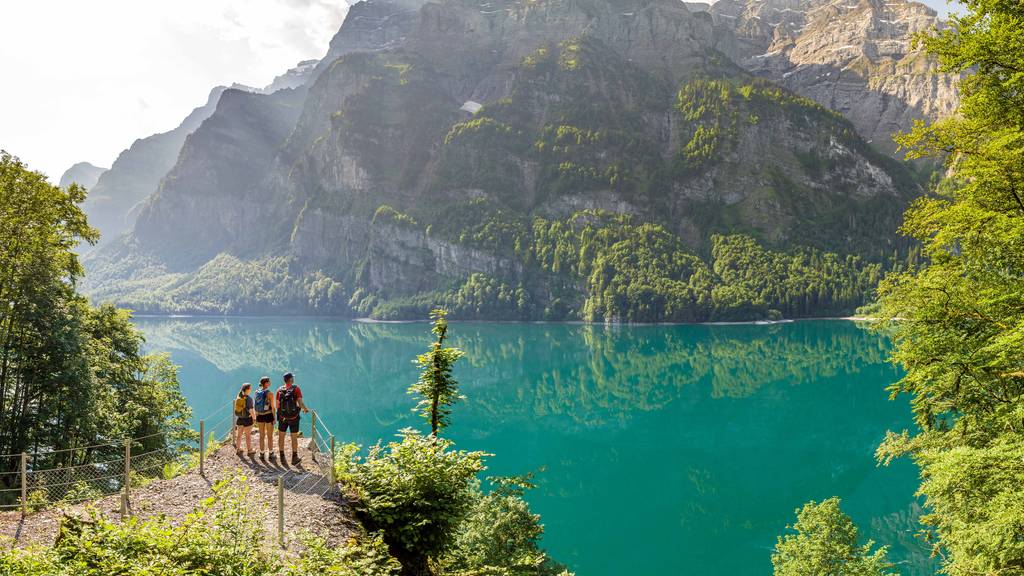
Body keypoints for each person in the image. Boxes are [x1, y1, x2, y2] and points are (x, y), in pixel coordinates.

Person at [276, 372, 308, 465]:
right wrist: (305, 409)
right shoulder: (296, 388)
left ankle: (282, 457)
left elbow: (277, 404)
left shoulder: (279, 390)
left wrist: (280, 414)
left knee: (281, 436)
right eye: (292, 378)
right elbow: (300, 402)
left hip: (283, 417)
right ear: (290, 379)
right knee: (294, 437)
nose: (293, 379)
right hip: (294, 417)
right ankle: (294, 458)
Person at [254, 376, 276, 460]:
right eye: (269, 381)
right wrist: (274, 417)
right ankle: (271, 453)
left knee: (261, 435)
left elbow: (255, 405)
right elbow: (273, 407)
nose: (270, 383)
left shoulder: (257, 392)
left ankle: (262, 453)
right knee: (269, 436)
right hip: (268, 415)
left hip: (259, 415)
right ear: (266, 383)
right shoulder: (269, 393)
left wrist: (256, 416)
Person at [233, 383, 256, 457]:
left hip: (240, 419)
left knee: (239, 435)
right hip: (247, 419)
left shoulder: (239, 396)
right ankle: (249, 450)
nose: (251, 390)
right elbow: (251, 410)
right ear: (247, 389)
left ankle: (238, 449)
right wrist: (254, 418)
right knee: (248, 435)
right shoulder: (249, 399)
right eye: (250, 388)